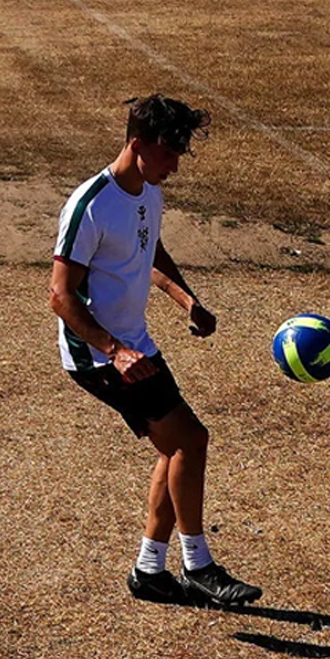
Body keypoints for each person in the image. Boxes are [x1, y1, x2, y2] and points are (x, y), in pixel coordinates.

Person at [51, 94, 261, 608]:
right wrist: (114, 350)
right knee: (191, 440)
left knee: (177, 449)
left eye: (179, 153)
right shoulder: (91, 205)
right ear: (137, 143)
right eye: (168, 152)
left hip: (133, 344)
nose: (175, 164)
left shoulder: (148, 190)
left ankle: (150, 571)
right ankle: (199, 566)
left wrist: (187, 300)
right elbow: (61, 295)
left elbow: (150, 252)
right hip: (98, 354)